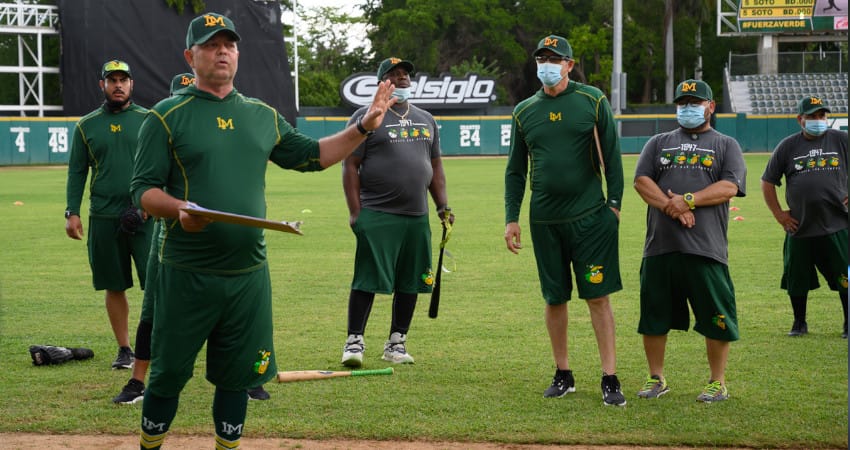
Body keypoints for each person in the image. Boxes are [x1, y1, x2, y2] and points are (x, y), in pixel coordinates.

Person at [130, 12, 395, 448]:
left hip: (247, 276)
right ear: (190, 56)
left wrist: (364, 125)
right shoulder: (165, 116)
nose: (222, 52)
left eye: (229, 45)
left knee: (236, 379)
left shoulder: (261, 115)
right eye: (211, 45)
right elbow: (143, 190)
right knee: (168, 376)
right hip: (186, 273)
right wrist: (179, 209)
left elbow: (314, 155)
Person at [112, 72, 272, 404]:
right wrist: (143, 209)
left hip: (228, 245)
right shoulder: (168, 121)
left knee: (241, 310)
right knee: (153, 308)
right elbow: (148, 184)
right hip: (170, 237)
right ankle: (138, 380)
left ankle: (247, 378)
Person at [503, 35, 626, 406]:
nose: (548, 64)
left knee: (597, 297)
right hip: (545, 222)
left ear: (570, 65)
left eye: (556, 58)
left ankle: (609, 376)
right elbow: (514, 171)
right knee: (555, 298)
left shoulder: (592, 100)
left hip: (591, 219)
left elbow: (614, 158)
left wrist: (614, 207)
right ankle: (563, 372)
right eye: (542, 57)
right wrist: (512, 218)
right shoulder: (524, 110)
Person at [633, 79, 747, 403]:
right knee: (654, 316)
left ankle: (717, 382)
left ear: (711, 106)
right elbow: (642, 182)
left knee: (716, 317)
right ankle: (656, 378)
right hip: (660, 245)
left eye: (695, 102)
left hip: (705, 247)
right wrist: (672, 206)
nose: (687, 108)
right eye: (682, 102)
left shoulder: (726, 145)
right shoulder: (658, 143)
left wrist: (688, 199)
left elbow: (728, 187)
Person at [340, 57, 453, 368]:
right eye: (394, 74)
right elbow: (350, 165)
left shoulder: (425, 119)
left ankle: (397, 342)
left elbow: (436, 166)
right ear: (381, 82)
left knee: (411, 280)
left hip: (416, 216)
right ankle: (354, 340)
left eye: (405, 74)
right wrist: (355, 212)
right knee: (368, 277)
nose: (402, 78)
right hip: (377, 212)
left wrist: (442, 205)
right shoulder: (365, 117)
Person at [65, 59, 152, 371]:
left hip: (144, 217)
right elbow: (77, 172)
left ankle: (160, 345)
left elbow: (161, 165)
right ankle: (125, 349)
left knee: (157, 283)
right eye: (111, 80)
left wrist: (147, 206)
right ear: (101, 84)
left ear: (131, 84)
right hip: (104, 217)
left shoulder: (148, 119)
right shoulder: (87, 125)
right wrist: (72, 212)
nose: (118, 85)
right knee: (113, 285)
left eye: (123, 80)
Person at [761, 96, 848, 338]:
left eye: (822, 116)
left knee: (845, 274)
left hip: (838, 223)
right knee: (796, 277)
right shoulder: (788, 146)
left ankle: (848, 323)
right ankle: (799, 322)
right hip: (799, 225)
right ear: (800, 119)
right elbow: (767, 181)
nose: (818, 120)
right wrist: (779, 215)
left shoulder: (841, 140)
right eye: (812, 116)